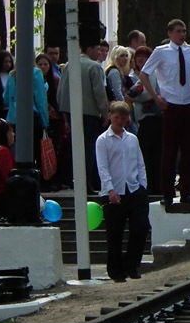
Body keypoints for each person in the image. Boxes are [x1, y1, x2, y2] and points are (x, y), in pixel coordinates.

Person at [138, 19, 190, 208]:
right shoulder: (161, 52)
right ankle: (167, 192)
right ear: (170, 33)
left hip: (188, 103)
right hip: (170, 104)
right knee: (169, 150)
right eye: (178, 31)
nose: (182, 35)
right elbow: (144, 74)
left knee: (189, 150)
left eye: (184, 31)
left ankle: (187, 191)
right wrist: (156, 97)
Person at [96, 101, 150, 282]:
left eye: (123, 118)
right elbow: (103, 167)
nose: (119, 121)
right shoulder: (103, 140)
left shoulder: (132, 139)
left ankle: (132, 265)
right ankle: (115, 270)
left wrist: (142, 185)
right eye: (116, 117)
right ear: (110, 116)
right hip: (114, 192)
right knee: (115, 234)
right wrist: (110, 189)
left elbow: (140, 163)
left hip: (134, 189)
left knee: (140, 228)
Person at [57, 38, 110, 193]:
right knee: (89, 148)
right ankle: (87, 182)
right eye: (97, 49)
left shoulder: (68, 65)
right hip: (89, 113)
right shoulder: (94, 67)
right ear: (89, 49)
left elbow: (61, 90)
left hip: (71, 111)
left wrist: (64, 111)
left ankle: (75, 180)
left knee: (75, 148)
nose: (99, 52)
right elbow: (99, 93)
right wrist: (105, 112)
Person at [129, 46, 162, 196]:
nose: (140, 60)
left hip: (152, 119)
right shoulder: (141, 75)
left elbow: (149, 93)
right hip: (145, 120)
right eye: (138, 57)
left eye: (144, 57)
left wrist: (134, 97)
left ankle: (154, 185)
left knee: (151, 154)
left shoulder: (152, 74)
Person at [5, 55, 49, 168]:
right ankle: (37, 179)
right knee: (36, 151)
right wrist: (45, 121)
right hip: (32, 116)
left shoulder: (12, 75)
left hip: (15, 118)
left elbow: (5, 97)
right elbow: (40, 99)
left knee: (19, 150)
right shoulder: (36, 73)